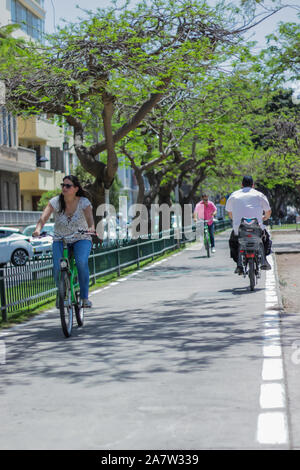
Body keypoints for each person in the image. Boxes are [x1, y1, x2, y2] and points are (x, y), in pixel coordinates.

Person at [32, 175, 96, 308]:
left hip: (81, 238)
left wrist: (91, 229)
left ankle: (84, 298)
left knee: (81, 262)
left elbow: (90, 220)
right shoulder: (55, 202)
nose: (64, 188)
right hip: (60, 239)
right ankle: (61, 294)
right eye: (63, 185)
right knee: (57, 267)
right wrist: (38, 230)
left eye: (68, 186)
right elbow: (43, 218)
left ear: (76, 188)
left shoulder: (84, 202)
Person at [225, 175, 272, 273]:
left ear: (241, 185)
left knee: (233, 242)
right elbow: (268, 211)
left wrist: (236, 220)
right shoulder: (259, 195)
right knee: (266, 239)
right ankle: (264, 260)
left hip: (240, 229)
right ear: (253, 185)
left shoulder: (234, 195)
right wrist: (264, 218)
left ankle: (239, 264)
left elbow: (229, 213)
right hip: (256, 228)